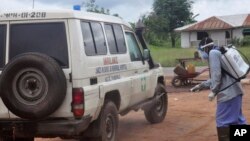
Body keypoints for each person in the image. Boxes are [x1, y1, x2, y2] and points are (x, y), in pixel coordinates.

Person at [191, 37, 247, 141]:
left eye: (201, 51)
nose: (201, 55)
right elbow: (220, 76)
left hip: (227, 95)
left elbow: (216, 75)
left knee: (223, 122)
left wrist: (214, 91)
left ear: (204, 48)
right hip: (236, 92)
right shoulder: (220, 51)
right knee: (238, 121)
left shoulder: (213, 53)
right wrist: (201, 86)